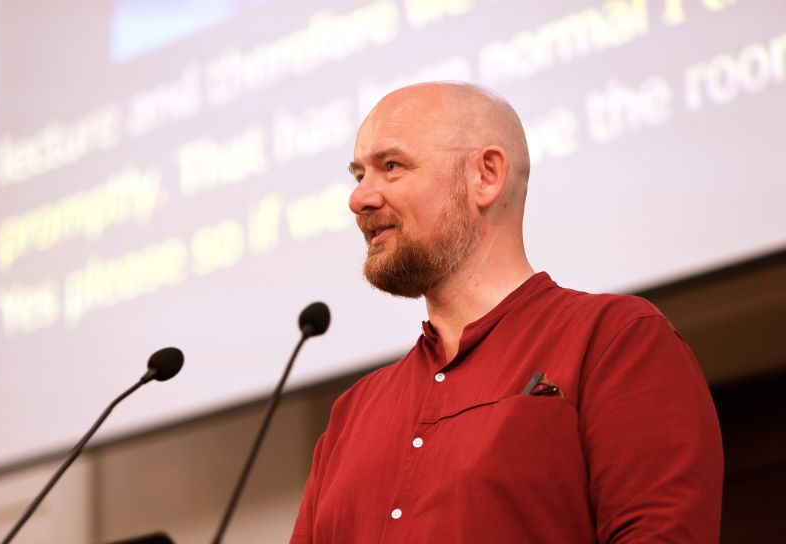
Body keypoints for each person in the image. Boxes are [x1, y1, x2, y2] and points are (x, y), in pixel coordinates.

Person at [290, 82, 723, 543]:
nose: (359, 199)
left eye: (391, 166)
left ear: (487, 175)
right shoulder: (352, 414)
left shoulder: (614, 340)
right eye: (359, 176)